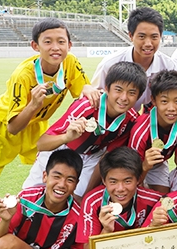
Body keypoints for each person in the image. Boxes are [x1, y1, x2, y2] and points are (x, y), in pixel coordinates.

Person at [0, 18, 94, 241]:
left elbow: (83, 91)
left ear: (69, 45)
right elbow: (13, 127)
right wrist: (33, 104)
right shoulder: (23, 74)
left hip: (36, 127)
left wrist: (90, 89)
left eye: (61, 41)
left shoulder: (70, 63)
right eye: (48, 42)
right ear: (35, 46)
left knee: (51, 176)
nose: (55, 47)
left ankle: (38, 235)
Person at [11, 147, 162, 249]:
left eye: (127, 181)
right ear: (103, 180)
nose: (120, 189)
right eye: (113, 181)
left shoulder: (153, 199)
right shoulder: (93, 202)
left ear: (138, 180)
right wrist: (106, 231)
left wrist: (153, 226)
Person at [23, 62, 146, 200]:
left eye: (132, 93)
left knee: (77, 200)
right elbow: (41, 144)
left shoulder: (131, 120)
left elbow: (105, 156)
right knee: (30, 196)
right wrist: (66, 137)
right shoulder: (86, 106)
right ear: (106, 88)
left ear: (139, 96)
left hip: (92, 156)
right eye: (118, 90)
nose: (124, 98)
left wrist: (87, 195)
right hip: (62, 147)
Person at [91, 7, 175, 111]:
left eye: (154, 37)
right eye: (142, 37)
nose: (148, 43)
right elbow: (93, 96)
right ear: (130, 36)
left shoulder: (169, 66)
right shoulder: (110, 64)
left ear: (160, 36)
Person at [129, 70, 177, 193]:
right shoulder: (141, 132)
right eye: (164, 101)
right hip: (136, 164)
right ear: (154, 100)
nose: (171, 108)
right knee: (137, 195)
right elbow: (130, 174)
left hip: (159, 163)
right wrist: (145, 166)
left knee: (162, 198)